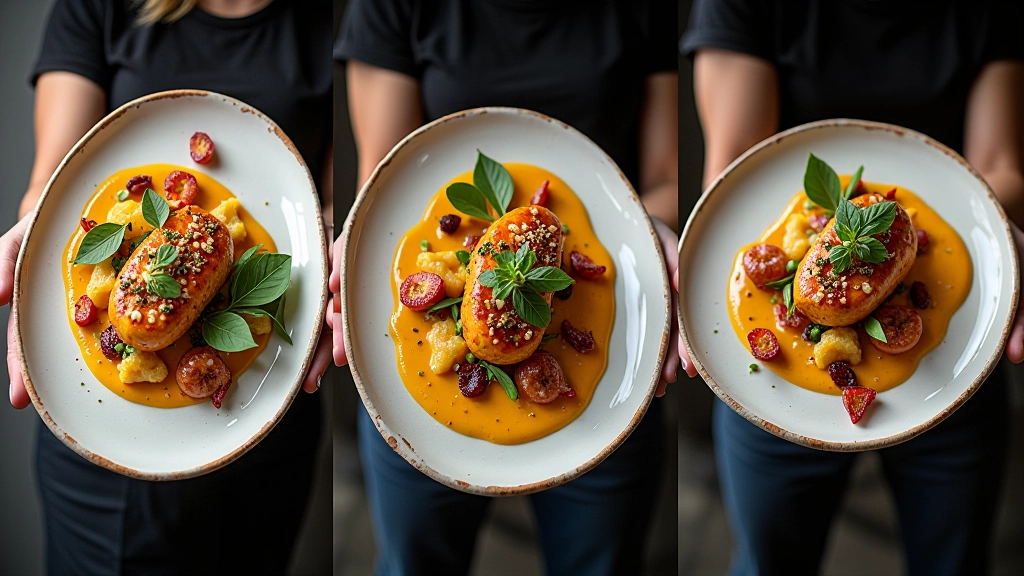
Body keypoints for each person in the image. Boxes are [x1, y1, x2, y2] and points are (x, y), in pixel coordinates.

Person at [333, 0, 685, 574]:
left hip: (619, 364)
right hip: (412, 408)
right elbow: (382, 180)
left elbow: (666, 179)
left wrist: (654, 232)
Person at [682, 1, 1024, 574]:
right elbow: (736, 170)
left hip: (961, 345)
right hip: (778, 391)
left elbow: (1000, 162)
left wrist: (994, 227)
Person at [1, 0, 334, 573]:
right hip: (104, 443)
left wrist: (333, 237)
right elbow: (54, 180)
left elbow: (326, 198)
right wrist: (33, 234)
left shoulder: (335, 21)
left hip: (270, 404)